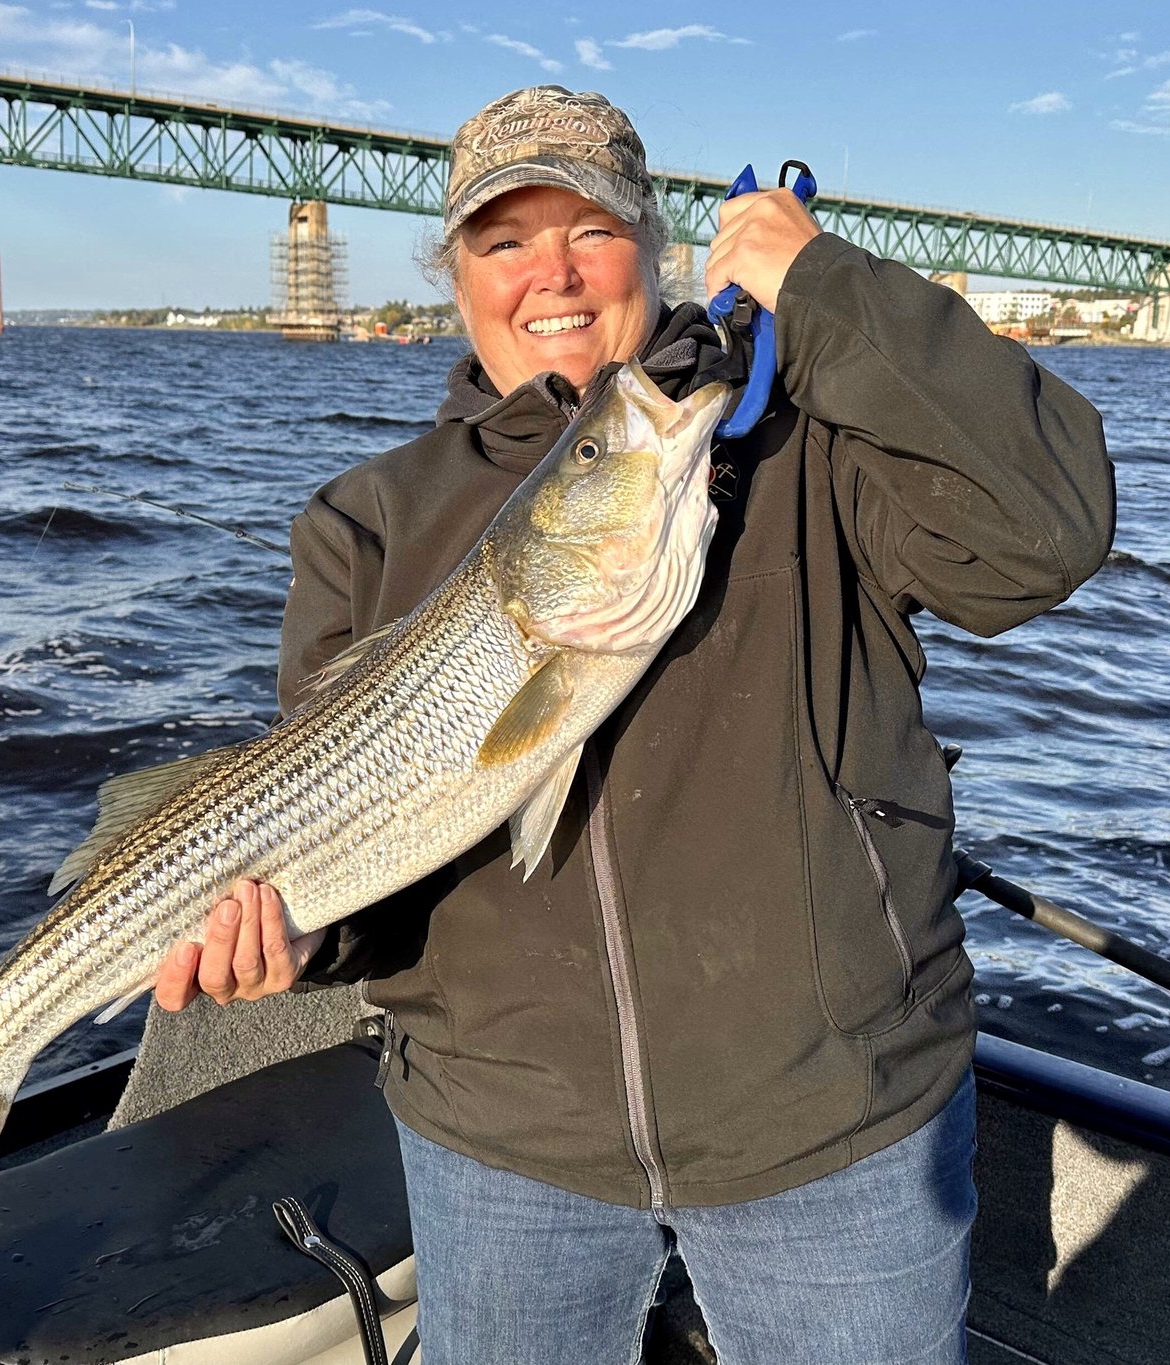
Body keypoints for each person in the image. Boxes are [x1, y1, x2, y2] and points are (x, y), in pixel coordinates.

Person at [151, 85, 1115, 1364]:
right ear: (456, 280)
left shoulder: (806, 446)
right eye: (503, 242)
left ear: (654, 250)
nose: (549, 273)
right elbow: (363, 851)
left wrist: (827, 286)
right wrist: (297, 935)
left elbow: (1048, 534)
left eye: (591, 232)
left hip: (832, 1123)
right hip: (501, 1143)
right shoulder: (365, 522)